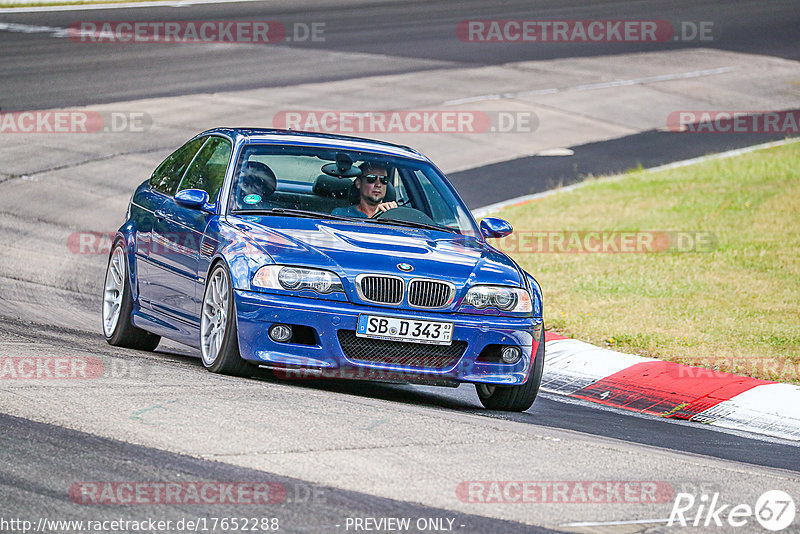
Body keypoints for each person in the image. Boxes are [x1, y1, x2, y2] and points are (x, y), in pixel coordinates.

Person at [331, 162, 398, 218]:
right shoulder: (340, 214)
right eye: (371, 178)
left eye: (384, 179)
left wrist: (394, 213)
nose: (378, 184)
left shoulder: (394, 214)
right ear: (358, 183)